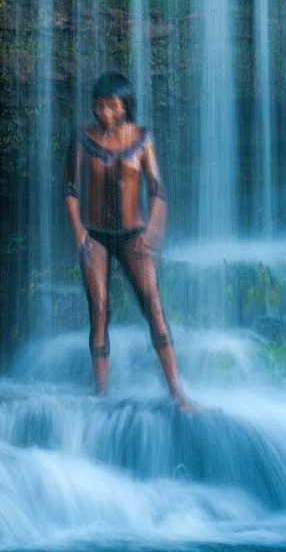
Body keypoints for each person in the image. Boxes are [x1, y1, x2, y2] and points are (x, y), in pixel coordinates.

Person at [64, 71, 194, 412]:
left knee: (153, 305)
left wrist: (152, 232)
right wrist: (79, 233)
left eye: (112, 106)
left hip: (134, 235)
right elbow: (69, 191)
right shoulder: (83, 137)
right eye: (99, 106)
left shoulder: (142, 138)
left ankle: (176, 388)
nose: (105, 113)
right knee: (100, 309)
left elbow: (158, 191)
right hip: (96, 236)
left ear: (126, 106)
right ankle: (102, 392)